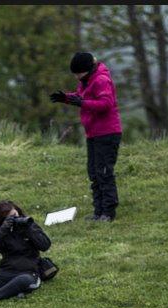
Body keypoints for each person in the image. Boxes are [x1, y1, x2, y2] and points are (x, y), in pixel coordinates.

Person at [50, 51, 122, 222]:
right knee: (94, 173)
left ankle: (108, 212)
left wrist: (81, 103)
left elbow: (106, 104)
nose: (76, 77)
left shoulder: (101, 80)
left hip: (107, 133)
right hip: (93, 133)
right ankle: (98, 211)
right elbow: (83, 98)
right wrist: (66, 98)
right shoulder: (87, 80)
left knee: (104, 172)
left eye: (78, 74)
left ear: (87, 70)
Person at [0, 200, 51, 307]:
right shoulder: (2, 231)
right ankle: (13, 293)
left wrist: (28, 229)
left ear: (18, 212)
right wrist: (3, 229)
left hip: (29, 273)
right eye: (9, 217)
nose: (15, 219)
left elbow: (45, 245)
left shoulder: (29, 225)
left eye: (15, 215)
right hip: (6, 273)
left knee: (22, 280)